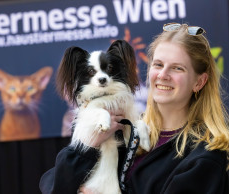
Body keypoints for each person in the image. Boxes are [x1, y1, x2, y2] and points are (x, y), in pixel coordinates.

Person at [39, 22, 229, 194]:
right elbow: (51, 184)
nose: (163, 75)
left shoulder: (205, 155)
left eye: (177, 68)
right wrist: (87, 147)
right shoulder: (126, 128)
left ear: (199, 81)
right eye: (158, 64)